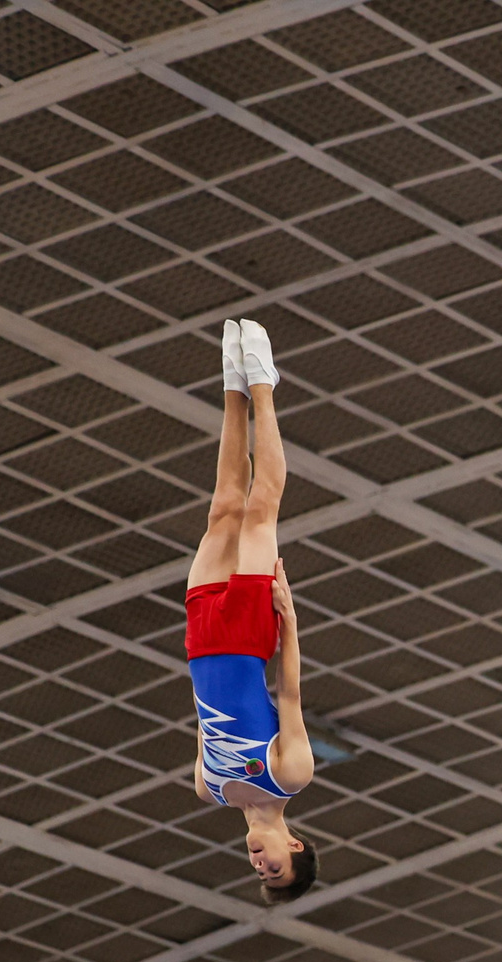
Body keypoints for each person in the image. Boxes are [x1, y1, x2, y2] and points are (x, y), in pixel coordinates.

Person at [187, 320, 316, 901]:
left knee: (221, 510)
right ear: (295, 848)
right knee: (261, 510)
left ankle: (232, 387)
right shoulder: (290, 775)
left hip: (201, 641)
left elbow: (204, 714)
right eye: (275, 869)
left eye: (258, 876)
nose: (259, 866)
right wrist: (288, 618)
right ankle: (264, 384)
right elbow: (288, 693)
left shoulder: (209, 790)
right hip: (246, 640)